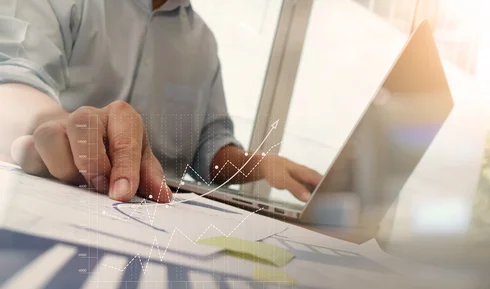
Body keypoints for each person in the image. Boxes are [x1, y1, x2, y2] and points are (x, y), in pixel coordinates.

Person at [0, 0, 322, 204]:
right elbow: (13, 78)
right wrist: (56, 126)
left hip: (159, 214)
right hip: (61, 195)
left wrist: (263, 164)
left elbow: (209, 148)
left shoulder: (203, 43)